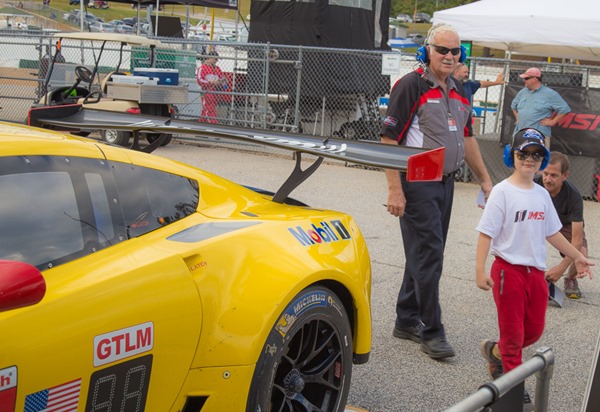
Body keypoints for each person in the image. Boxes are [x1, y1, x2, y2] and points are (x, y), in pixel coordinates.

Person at [381, 23, 493, 360]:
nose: (449, 55)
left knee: (424, 251)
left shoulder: (458, 89)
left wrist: (485, 179)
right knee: (429, 255)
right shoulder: (411, 86)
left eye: (455, 51)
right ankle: (433, 330)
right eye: (442, 49)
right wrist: (394, 189)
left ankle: (406, 318)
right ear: (427, 50)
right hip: (417, 183)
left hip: (445, 183)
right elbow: (389, 140)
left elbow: (468, 137)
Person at [475, 128, 593, 408]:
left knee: (535, 331)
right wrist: (479, 269)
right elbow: (485, 233)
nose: (530, 159)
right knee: (515, 338)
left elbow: (553, 232)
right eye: (523, 153)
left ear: (543, 158)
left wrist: (577, 256)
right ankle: (514, 392)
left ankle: (495, 351)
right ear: (510, 156)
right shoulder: (502, 192)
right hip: (507, 272)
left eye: (536, 154)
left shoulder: (541, 195)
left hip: (535, 275)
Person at [534, 151, 589, 299]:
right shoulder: (533, 184)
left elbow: (576, 241)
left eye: (554, 175)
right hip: (537, 219)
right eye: (545, 173)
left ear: (564, 176)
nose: (547, 179)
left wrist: (560, 269)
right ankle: (528, 278)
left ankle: (570, 279)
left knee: (582, 254)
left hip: (562, 225)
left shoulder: (574, 196)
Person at [511, 67, 571, 148]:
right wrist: (518, 118)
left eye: (526, 78)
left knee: (538, 159)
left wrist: (553, 122)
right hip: (520, 134)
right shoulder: (523, 92)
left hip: (539, 136)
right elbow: (513, 106)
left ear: (534, 79)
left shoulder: (550, 94)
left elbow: (564, 109)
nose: (524, 80)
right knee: (518, 159)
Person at [196, 50, 227, 124]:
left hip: (215, 93)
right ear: (210, 58)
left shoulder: (217, 69)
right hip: (206, 92)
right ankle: (214, 124)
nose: (216, 61)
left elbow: (222, 79)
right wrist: (210, 82)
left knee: (207, 109)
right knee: (209, 109)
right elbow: (199, 80)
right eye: (215, 59)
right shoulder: (202, 68)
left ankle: (200, 126)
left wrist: (223, 82)